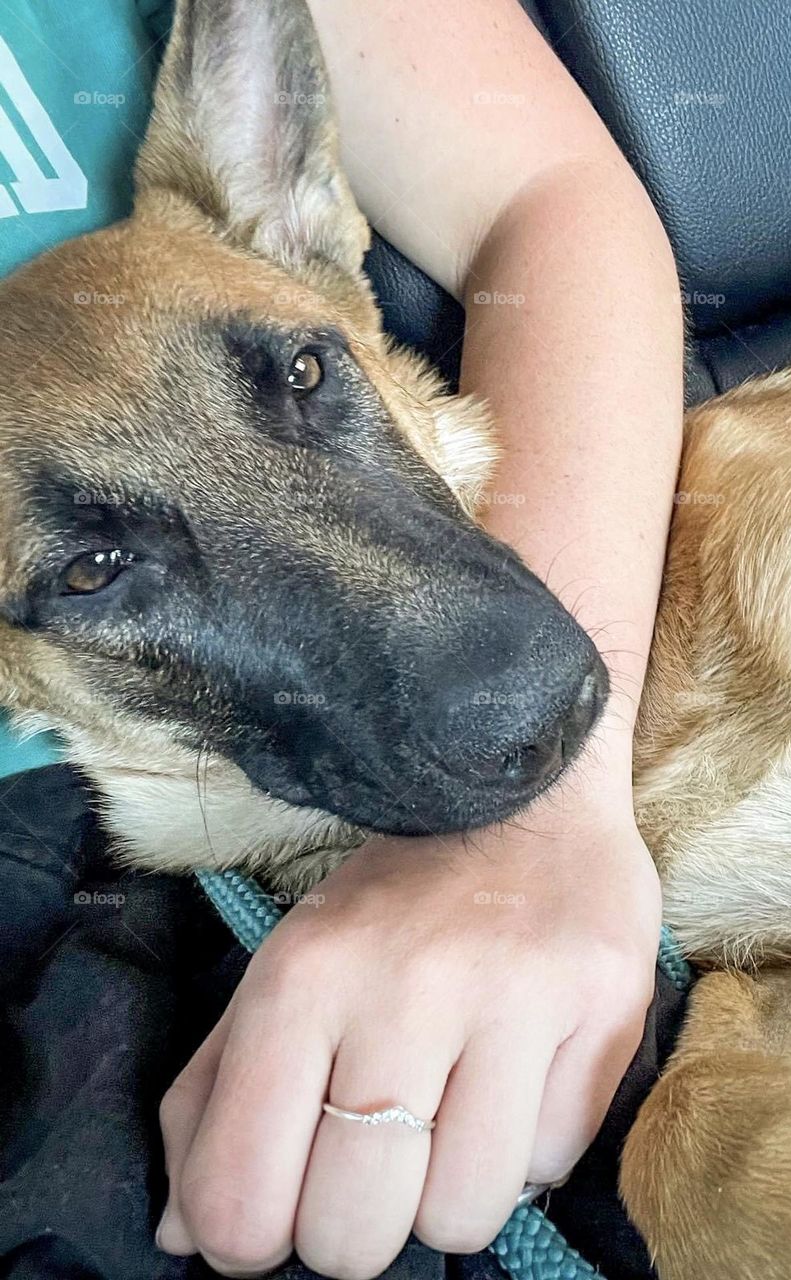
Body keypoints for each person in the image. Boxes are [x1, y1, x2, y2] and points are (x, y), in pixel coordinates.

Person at [1, 1, 683, 1275]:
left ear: (296, 231)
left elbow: (545, 195)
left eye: (305, 381)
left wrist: (545, 829)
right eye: (95, 568)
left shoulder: (242, 225)